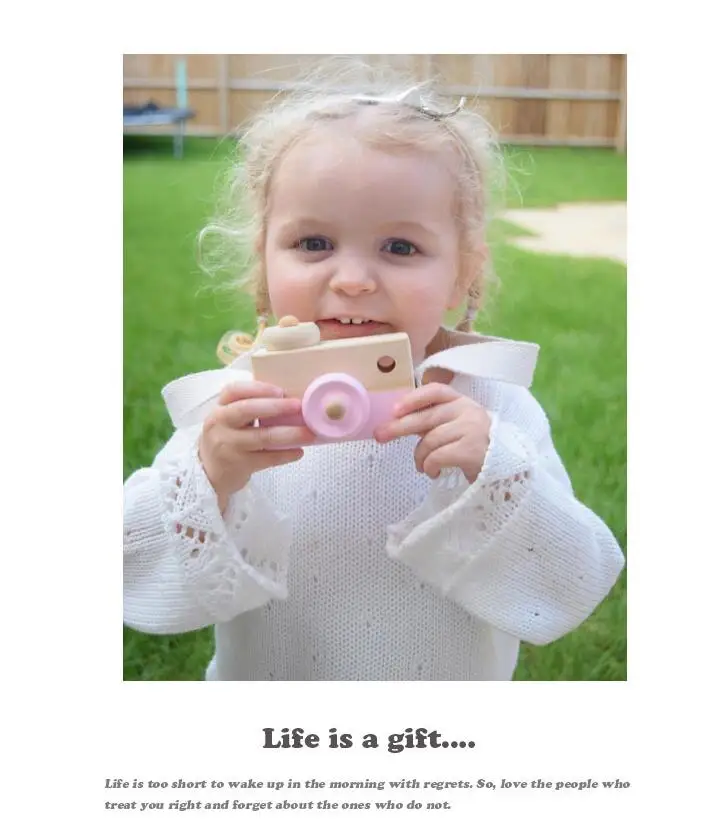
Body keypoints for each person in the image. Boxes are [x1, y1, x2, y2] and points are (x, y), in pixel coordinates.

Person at [123, 64, 625, 681]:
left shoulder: (493, 409)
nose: (354, 279)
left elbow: (574, 581)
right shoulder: (240, 410)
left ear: (463, 276)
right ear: (264, 265)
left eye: (400, 247)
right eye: (313, 243)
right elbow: (128, 565)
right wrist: (210, 476)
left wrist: (494, 470)